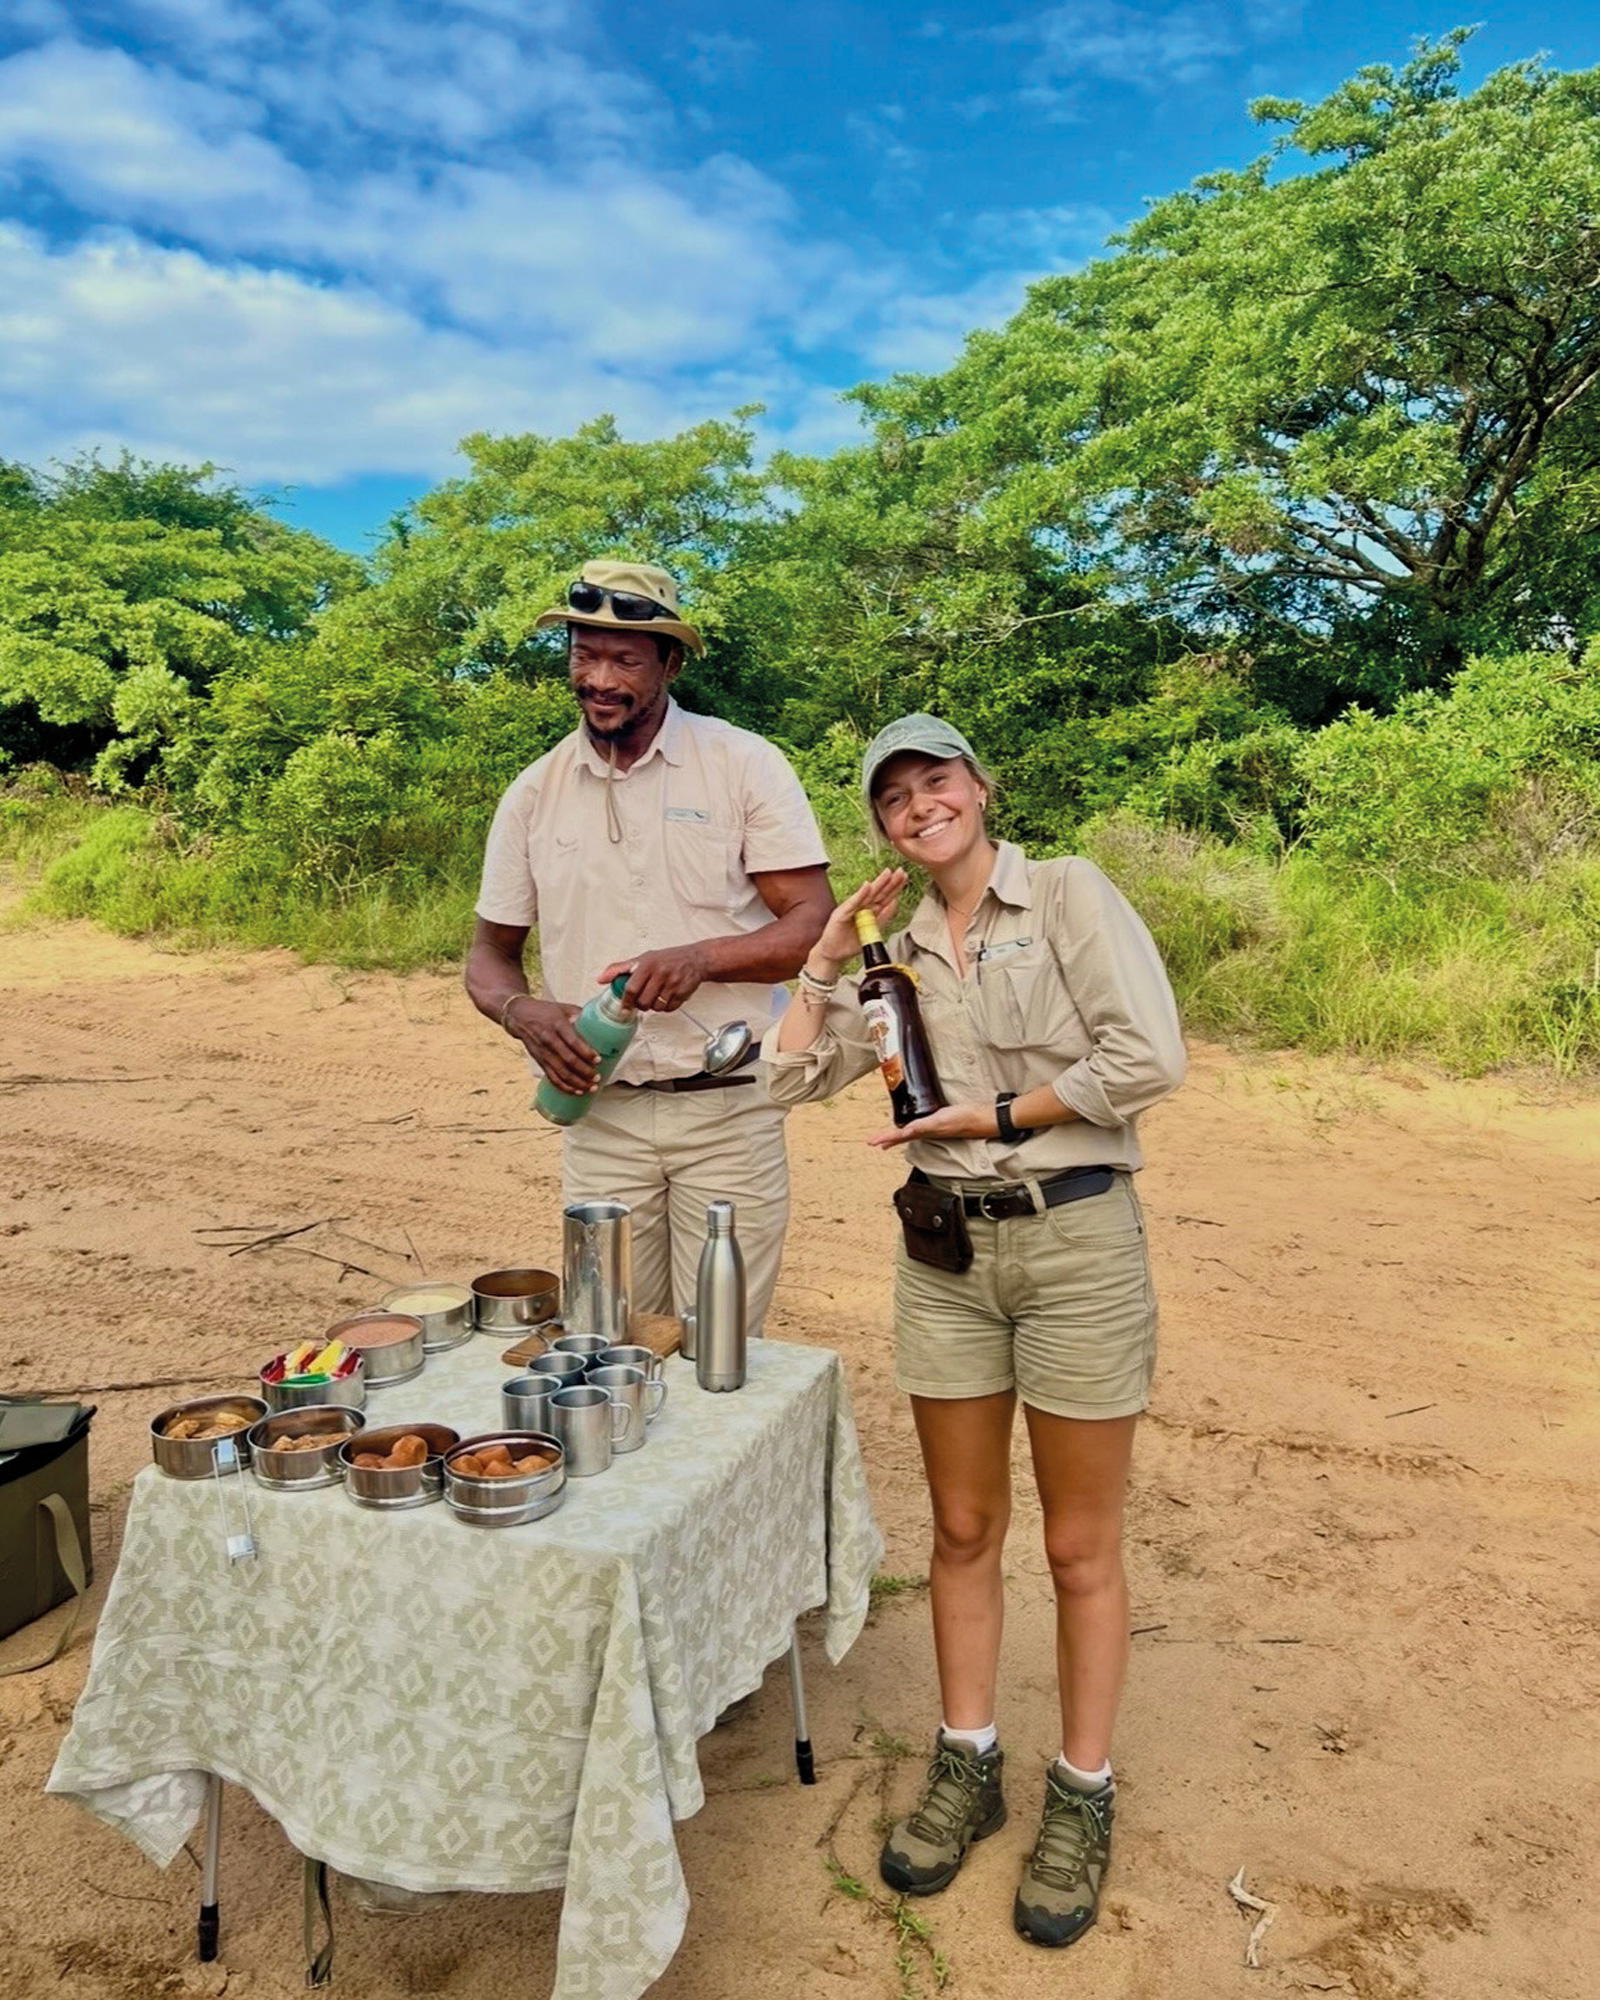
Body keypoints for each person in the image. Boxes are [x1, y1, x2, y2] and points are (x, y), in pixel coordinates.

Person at [762, 713, 1185, 1949]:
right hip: (944, 1255)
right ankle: (967, 1756)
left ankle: (1082, 1789)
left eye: (934, 778)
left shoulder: (1065, 896)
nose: (916, 803)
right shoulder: (888, 962)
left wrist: (987, 1116)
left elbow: (1144, 1056)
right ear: (880, 825)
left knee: (1078, 1544)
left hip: (1074, 1242)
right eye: (891, 795)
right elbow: (790, 1078)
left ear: (979, 787)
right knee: (958, 1526)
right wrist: (828, 952)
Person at [466, 560, 832, 1330]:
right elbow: (489, 957)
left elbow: (808, 925)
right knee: (611, 1344)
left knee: (720, 1351)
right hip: (600, 1118)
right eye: (584, 654)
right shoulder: (533, 794)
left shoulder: (743, 765)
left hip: (728, 1111)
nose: (600, 679)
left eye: (626, 659)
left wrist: (699, 959)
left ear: (670, 662)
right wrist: (519, 1011)